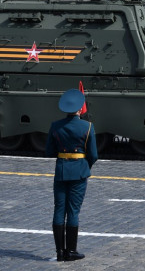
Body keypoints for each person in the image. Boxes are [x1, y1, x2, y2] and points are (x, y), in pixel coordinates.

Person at [46, 89, 98, 262]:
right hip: (79, 171)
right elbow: (93, 155)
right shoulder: (88, 126)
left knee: (59, 209)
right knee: (73, 211)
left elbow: (49, 151)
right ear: (79, 109)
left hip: (61, 170)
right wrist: (84, 166)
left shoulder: (55, 126)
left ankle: (60, 252)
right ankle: (72, 251)